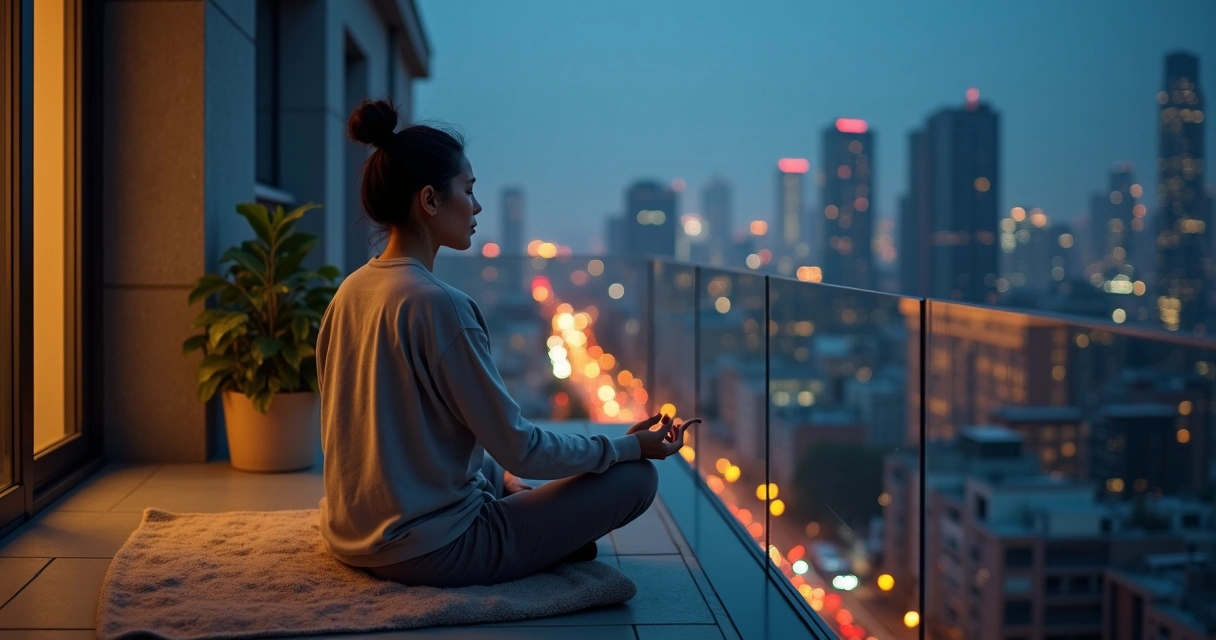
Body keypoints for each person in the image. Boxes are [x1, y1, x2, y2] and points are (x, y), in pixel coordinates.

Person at [314, 98, 699, 588]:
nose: (475, 207)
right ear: (430, 201)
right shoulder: (440, 305)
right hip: (433, 548)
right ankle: (541, 541)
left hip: (351, 534)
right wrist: (627, 447)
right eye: (468, 191)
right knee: (638, 479)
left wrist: (503, 481)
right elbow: (521, 447)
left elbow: (388, 437)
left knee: (505, 476)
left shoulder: (349, 292)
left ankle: (531, 524)